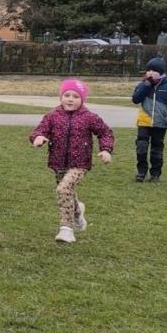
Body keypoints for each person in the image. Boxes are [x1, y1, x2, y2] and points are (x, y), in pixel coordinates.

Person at [29, 78, 114, 244]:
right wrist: (38, 138)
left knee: (63, 189)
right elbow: (40, 130)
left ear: (82, 99)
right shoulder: (52, 116)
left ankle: (66, 229)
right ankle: (77, 211)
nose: (70, 99)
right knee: (67, 191)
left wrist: (105, 149)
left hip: (80, 164)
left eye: (75, 96)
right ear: (61, 97)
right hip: (57, 162)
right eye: (67, 95)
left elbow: (105, 132)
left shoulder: (89, 117)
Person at [131, 56, 167, 183]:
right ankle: (141, 172)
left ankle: (155, 174)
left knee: (157, 149)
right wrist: (147, 85)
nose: (150, 73)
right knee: (141, 146)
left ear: (161, 72)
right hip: (144, 121)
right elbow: (135, 99)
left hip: (161, 123)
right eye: (148, 70)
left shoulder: (166, 86)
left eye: (154, 70)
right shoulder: (143, 84)